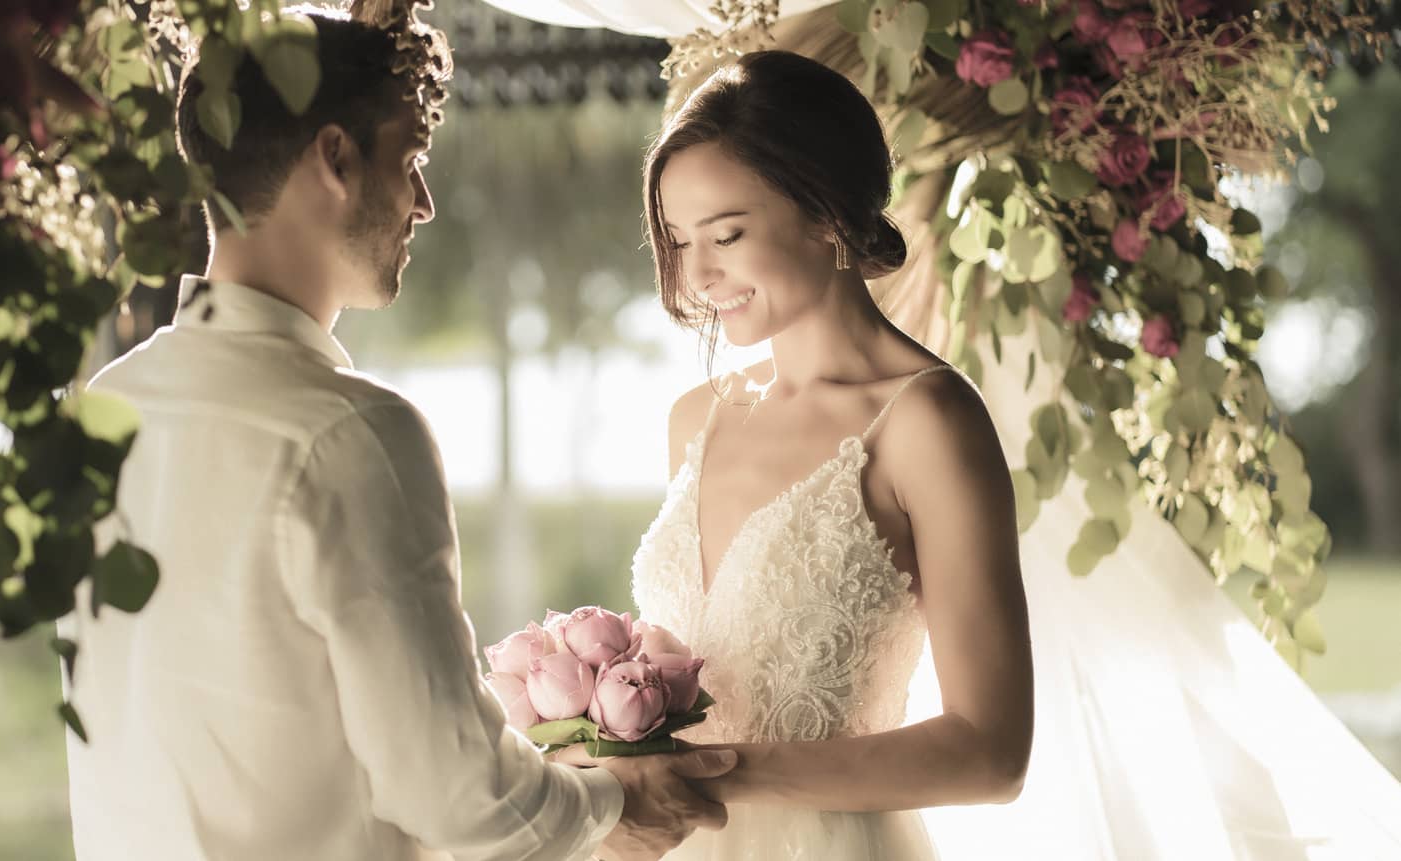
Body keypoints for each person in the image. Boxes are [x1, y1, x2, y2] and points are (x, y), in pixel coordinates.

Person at [60, 9, 735, 861]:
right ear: (335, 159)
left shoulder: (102, 409)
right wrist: (610, 799)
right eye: (410, 160)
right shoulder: (351, 432)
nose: (423, 204)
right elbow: (462, 800)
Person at [558, 50, 1034, 859]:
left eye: (728, 234)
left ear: (824, 210)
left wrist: (726, 772)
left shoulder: (928, 422)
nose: (698, 274)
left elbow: (992, 752)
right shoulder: (694, 419)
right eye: (678, 241)